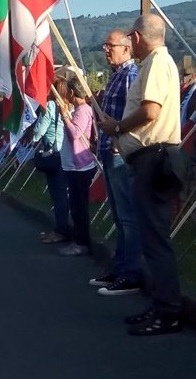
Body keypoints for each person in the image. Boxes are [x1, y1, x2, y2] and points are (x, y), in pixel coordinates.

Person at [99, 13, 184, 335]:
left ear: (135, 38)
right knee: (151, 237)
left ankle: (169, 310)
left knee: (155, 239)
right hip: (150, 157)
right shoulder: (154, 64)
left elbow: (151, 111)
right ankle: (162, 305)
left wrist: (118, 127)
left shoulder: (157, 63)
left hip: (155, 156)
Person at [89, 30, 141, 295]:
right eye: (105, 45)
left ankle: (130, 273)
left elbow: (138, 114)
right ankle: (120, 268)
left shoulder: (131, 75)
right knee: (119, 216)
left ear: (126, 48)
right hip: (109, 151)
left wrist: (120, 134)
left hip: (121, 153)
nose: (106, 50)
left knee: (128, 216)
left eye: (110, 45)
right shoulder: (116, 76)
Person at [57, 76, 96, 257]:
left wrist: (65, 116)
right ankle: (78, 239)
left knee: (79, 205)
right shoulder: (81, 110)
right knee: (75, 204)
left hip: (80, 165)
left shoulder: (82, 110)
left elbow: (75, 133)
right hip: (73, 165)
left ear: (73, 92)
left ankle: (82, 241)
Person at [33, 77, 68, 244]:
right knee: (64, 193)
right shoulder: (70, 106)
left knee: (57, 194)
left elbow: (39, 131)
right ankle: (62, 227)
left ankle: (61, 229)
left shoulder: (51, 106)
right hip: (66, 153)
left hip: (52, 153)